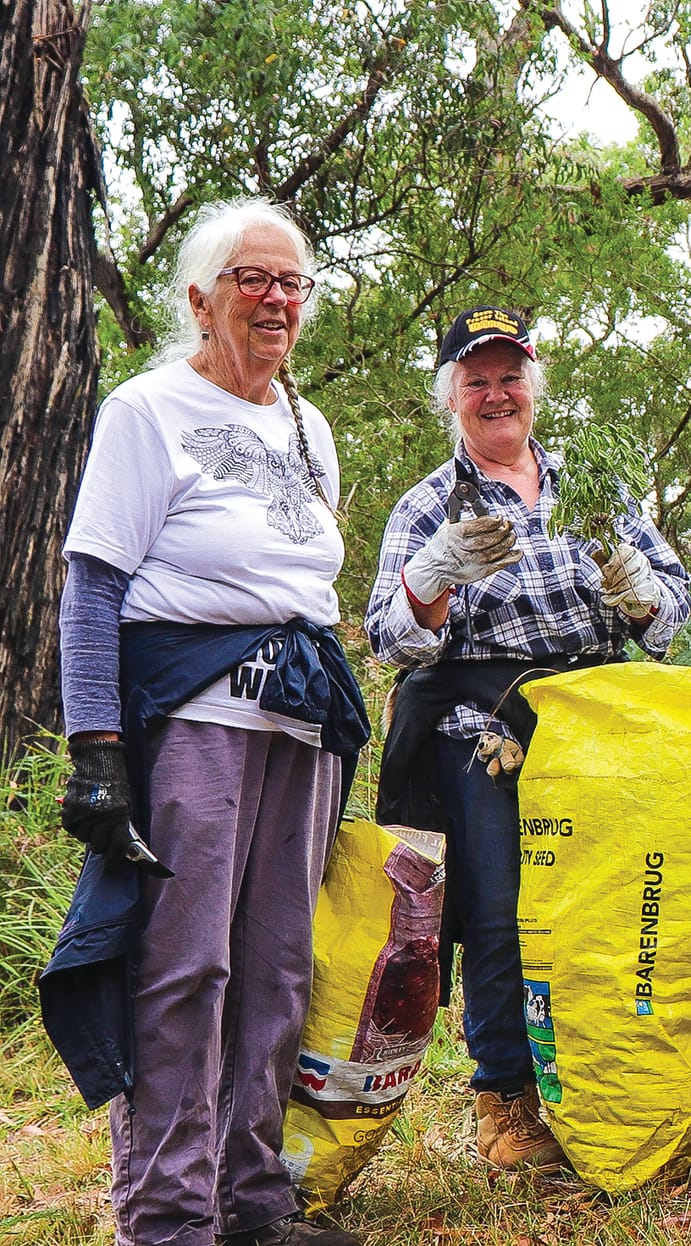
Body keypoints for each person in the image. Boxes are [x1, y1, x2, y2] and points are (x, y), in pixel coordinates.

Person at [44, 198, 369, 1246]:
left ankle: (252, 1199)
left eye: (292, 283)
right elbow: (94, 586)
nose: (276, 299)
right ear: (200, 298)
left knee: (277, 965)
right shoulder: (147, 410)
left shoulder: (309, 426)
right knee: (187, 966)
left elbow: (302, 581)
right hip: (193, 720)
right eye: (251, 278)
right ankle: (168, 1215)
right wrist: (97, 749)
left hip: (299, 726)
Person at [366, 306, 691, 1169]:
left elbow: (672, 610)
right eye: (476, 380)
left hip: (594, 728)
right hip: (485, 732)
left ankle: (601, 1079)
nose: (496, 394)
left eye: (510, 377)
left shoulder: (592, 486)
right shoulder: (431, 504)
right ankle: (505, 1099)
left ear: (533, 388)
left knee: (605, 906)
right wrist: (431, 577)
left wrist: (639, 593)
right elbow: (388, 638)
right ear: (451, 398)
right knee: (500, 912)